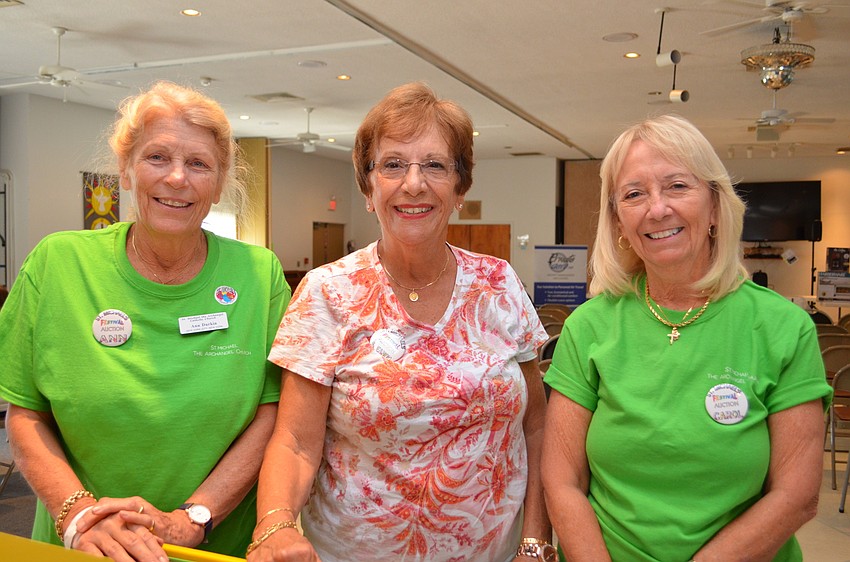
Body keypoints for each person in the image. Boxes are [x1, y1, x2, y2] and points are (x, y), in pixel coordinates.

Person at [248, 82, 553, 562]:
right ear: (369, 188)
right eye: (393, 164)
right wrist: (275, 526)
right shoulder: (328, 292)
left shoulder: (497, 282)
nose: (413, 183)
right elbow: (295, 443)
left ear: (460, 188)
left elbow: (535, 425)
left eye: (434, 165)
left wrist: (536, 542)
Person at [0, 81, 290, 560]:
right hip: (82, 546)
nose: (177, 178)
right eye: (158, 157)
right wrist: (78, 515)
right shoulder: (58, 264)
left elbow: (273, 411)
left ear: (219, 184)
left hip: (215, 545)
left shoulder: (259, 275)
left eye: (198, 164)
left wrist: (193, 518)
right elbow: (26, 413)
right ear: (126, 170)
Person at [541, 114, 832, 561]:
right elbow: (562, 482)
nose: (657, 209)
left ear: (715, 205)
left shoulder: (783, 328)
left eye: (677, 186)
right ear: (619, 221)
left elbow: (796, 495)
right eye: (634, 194)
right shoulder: (589, 327)